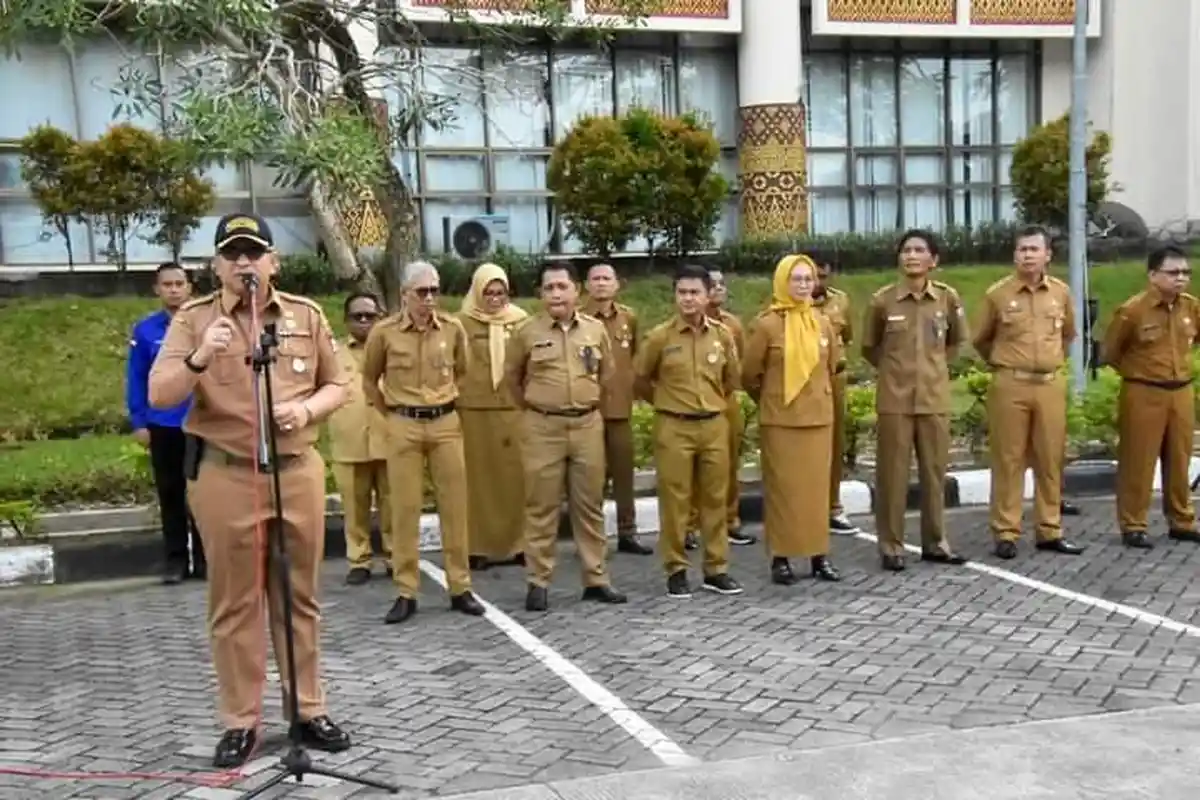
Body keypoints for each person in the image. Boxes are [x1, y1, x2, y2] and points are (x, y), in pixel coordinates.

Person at [148, 212, 351, 767]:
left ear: (273, 262)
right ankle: (241, 721)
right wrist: (200, 356)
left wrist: (306, 408)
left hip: (295, 471)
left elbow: (339, 383)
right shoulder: (193, 321)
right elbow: (160, 395)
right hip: (225, 473)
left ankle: (307, 709)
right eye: (232, 254)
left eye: (254, 253)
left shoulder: (305, 316)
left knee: (299, 598)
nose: (244, 264)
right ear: (215, 266)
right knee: (235, 604)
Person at [361, 261, 485, 624]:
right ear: (404, 295)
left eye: (434, 290)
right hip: (405, 424)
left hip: (445, 422)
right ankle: (406, 590)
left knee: (455, 506)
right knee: (404, 509)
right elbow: (370, 379)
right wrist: (392, 414)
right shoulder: (384, 333)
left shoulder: (452, 328)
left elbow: (464, 370)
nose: (430, 298)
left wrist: (446, 399)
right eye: (422, 292)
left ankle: (460, 586)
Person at [505, 262, 628, 612]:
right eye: (549, 288)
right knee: (541, 506)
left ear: (577, 291)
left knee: (589, 505)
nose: (556, 294)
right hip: (543, 427)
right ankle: (538, 581)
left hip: (587, 425)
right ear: (541, 295)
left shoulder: (594, 330)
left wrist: (584, 406)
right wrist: (539, 407)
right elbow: (512, 380)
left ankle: (596, 578)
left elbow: (606, 375)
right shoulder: (526, 332)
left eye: (562, 287)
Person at [972, 225, 1086, 559]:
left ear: (1048, 255)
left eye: (1034, 249)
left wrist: (1049, 363)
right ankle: (1006, 531)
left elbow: (1067, 335)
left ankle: (1050, 529)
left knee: (1050, 458)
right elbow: (981, 339)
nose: (1027, 255)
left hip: (1049, 383)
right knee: (1009, 459)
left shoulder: (1060, 293)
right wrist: (1007, 363)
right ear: (1014, 255)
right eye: (1022, 249)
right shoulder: (998, 294)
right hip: (1011, 383)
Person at [860, 230, 969, 572]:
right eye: (906, 250)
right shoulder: (883, 301)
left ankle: (935, 542)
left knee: (935, 474)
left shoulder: (947, 299)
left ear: (933, 260)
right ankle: (891, 546)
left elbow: (955, 342)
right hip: (895, 400)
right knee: (892, 477)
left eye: (919, 250)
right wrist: (896, 373)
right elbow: (869, 347)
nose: (911, 255)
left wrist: (932, 372)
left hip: (934, 399)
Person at [635, 265, 745, 598]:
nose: (688, 299)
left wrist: (710, 406)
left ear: (708, 294)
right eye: (682, 292)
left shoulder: (722, 335)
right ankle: (676, 568)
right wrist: (668, 403)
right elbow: (641, 379)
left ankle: (716, 568)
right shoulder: (660, 337)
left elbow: (731, 380)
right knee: (676, 502)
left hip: (713, 424)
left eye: (695, 292)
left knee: (715, 500)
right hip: (674, 425)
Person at [742, 255, 842, 584]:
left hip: (818, 418)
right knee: (784, 491)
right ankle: (781, 558)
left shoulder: (822, 321)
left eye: (807, 279)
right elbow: (749, 374)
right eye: (796, 279)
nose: (802, 285)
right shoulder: (767, 323)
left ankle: (819, 556)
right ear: (782, 282)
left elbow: (833, 366)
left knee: (816, 492)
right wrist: (771, 400)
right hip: (781, 421)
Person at [1102, 245, 1200, 549]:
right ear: (1153, 275)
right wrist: (1139, 372)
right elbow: (1111, 352)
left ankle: (1181, 520)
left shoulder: (1191, 307)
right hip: (1144, 391)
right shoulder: (1133, 310)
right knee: (1138, 460)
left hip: (1180, 390)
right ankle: (1133, 523)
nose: (1180, 278)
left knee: (1180, 458)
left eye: (1185, 272)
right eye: (1173, 272)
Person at [126, 262, 205, 585]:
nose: (173, 289)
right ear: (157, 289)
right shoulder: (146, 331)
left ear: (190, 288)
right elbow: (136, 377)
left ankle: (205, 560)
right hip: (164, 424)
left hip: (201, 423)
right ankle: (175, 561)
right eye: (167, 284)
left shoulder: (205, 327)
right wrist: (139, 420)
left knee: (202, 494)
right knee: (170, 493)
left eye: (179, 283)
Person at [457, 263, 529, 569]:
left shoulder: (522, 321)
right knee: (477, 481)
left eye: (500, 293)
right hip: (474, 410)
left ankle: (519, 545)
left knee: (518, 478)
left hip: (513, 409)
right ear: (477, 292)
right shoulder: (461, 323)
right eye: (488, 292)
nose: (495, 299)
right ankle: (478, 547)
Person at [583, 262, 653, 556]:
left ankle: (628, 532)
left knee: (624, 475)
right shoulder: (580, 319)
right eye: (595, 279)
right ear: (587, 286)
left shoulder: (629, 318)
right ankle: (591, 537)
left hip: (620, 410)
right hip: (589, 411)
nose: (601, 283)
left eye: (606, 278)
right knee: (590, 479)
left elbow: (637, 359)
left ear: (616, 284)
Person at [684, 268, 755, 548]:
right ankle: (690, 523)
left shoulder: (732, 326)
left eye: (722, 285)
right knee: (691, 469)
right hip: (693, 404)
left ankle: (730, 520)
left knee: (728, 464)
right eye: (712, 285)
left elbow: (738, 369)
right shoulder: (679, 326)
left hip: (725, 402)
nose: (719, 290)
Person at [327, 292, 392, 585]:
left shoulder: (395, 350)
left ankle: (396, 557)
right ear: (346, 320)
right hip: (350, 439)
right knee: (354, 506)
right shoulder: (332, 355)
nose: (364, 321)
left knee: (394, 504)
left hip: (391, 438)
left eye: (370, 315)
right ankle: (359, 560)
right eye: (358, 316)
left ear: (381, 317)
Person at [811, 256, 859, 537]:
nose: (818, 282)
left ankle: (833, 507)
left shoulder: (841, 301)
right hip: (804, 381)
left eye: (823, 276)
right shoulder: (787, 304)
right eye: (813, 275)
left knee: (834, 442)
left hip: (834, 378)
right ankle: (806, 510)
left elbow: (848, 338)